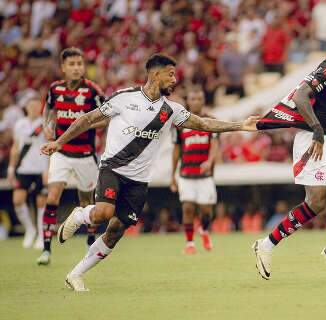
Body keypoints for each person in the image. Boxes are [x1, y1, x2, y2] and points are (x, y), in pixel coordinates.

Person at [40, 53, 258, 291]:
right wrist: (59, 142)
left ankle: (76, 274)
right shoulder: (124, 98)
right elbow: (87, 119)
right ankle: (81, 215)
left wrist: (240, 125)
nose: (175, 79)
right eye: (171, 74)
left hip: (139, 181)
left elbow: (204, 124)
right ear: (156, 74)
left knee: (115, 232)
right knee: (104, 212)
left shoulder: (171, 110)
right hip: (113, 168)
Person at [253, 24, 326, 279]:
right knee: (317, 203)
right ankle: (265, 245)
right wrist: (317, 130)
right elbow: (300, 95)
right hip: (314, 140)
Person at [37, 47, 105, 266]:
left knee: (87, 202)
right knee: (52, 196)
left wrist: (87, 122)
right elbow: (47, 110)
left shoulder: (92, 90)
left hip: (85, 155)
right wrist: (47, 125)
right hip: (61, 153)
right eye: (72, 64)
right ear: (63, 68)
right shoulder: (55, 89)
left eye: (79, 64)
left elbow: (107, 116)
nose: (76, 68)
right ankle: (46, 249)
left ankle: (90, 241)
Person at [170, 87, 219, 254]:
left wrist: (210, 161)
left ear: (203, 101)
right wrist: (172, 175)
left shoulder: (211, 120)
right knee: (188, 208)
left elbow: (215, 144)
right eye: (193, 99)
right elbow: (176, 150)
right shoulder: (179, 123)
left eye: (199, 99)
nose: (196, 102)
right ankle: (190, 243)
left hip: (205, 175)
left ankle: (204, 230)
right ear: (188, 101)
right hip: (186, 173)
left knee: (207, 212)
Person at [7, 97, 48, 249]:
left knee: (41, 202)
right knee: (17, 200)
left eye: (37, 106)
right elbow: (16, 147)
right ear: (27, 107)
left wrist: (48, 169)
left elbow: (51, 147)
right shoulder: (20, 124)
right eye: (31, 106)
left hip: (40, 168)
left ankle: (41, 235)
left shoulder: (45, 123)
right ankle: (29, 230)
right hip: (23, 169)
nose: (34, 108)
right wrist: (11, 168)